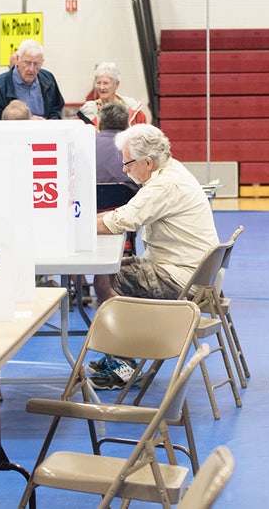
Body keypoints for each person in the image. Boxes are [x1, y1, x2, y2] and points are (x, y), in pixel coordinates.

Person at [89, 124, 219, 389]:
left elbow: (118, 221)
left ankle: (123, 362)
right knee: (112, 270)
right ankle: (120, 351)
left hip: (181, 279)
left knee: (106, 282)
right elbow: (123, 213)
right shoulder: (170, 171)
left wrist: (72, 225)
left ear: (147, 162)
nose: (125, 170)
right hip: (193, 272)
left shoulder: (163, 186)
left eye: (127, 163)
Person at [0, 39, 64, 122]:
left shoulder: (48, 79)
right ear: (18, 59)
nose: (31, 69)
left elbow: (56, 108)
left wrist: (50, 122)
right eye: (27, 63)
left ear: (42, 62)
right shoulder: (0, 84)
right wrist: (24, 122)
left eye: (36, 64)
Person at [78, 62, 146, 128]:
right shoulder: (88, 112)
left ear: (116, 84)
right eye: (98, 83)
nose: (101, 87)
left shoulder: (133, 109)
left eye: (105, 83)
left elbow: (143, 135)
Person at [95, 102, 139, 188]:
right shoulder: (136, 144)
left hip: (92, 199)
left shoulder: (85, 144)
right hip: (131, 198)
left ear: (99, 124)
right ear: (127, 125)